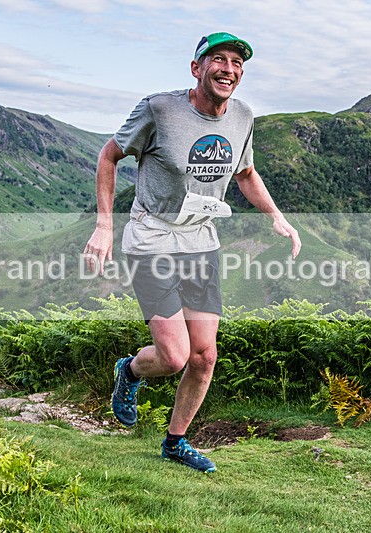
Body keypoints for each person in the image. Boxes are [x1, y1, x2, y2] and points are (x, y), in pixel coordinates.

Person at [83, 32, 301, 473]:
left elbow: (246, 172)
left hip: (201, 239)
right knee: (175, 356)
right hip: (153, 238)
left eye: (237, 62)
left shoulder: (242, 116)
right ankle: (129, 371)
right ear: (196, 67)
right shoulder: (159, 110)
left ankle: (175, 442)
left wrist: (276, 216)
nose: (229, 68)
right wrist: (104, 225)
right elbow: (109, 156)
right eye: (218, 59)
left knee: (205, 356)